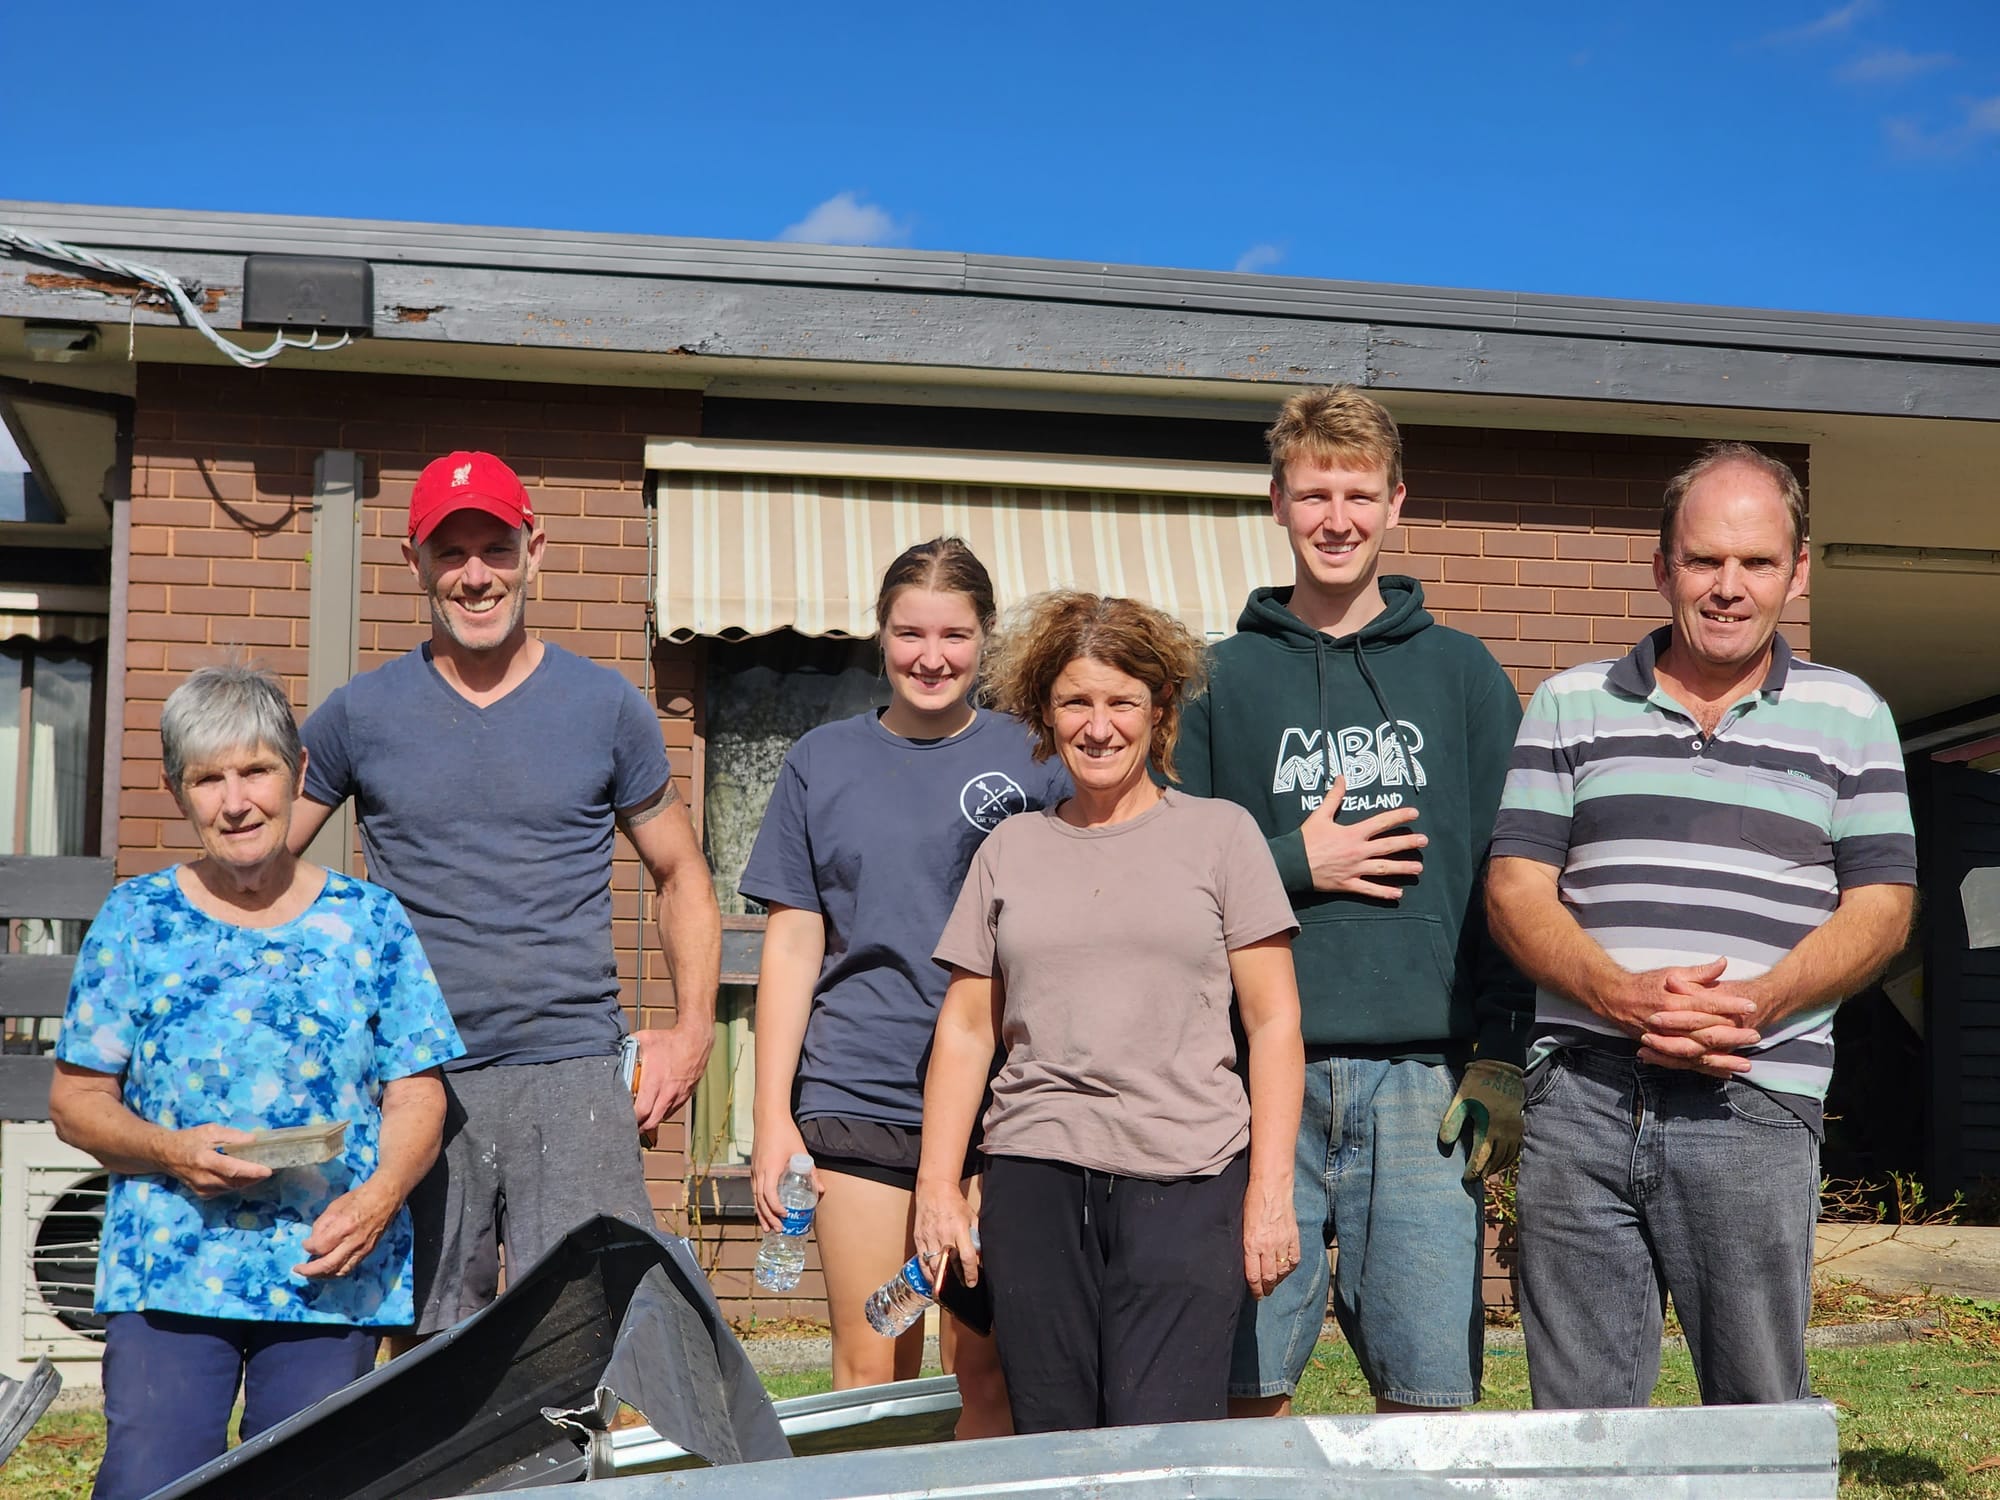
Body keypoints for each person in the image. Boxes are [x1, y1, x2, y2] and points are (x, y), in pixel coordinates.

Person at [1487, 442, 1917, 1407]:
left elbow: (1884, 907)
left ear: (1797, 572)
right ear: (1662, 567)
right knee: (1580, 1428)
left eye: (1757, 562)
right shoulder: (1569, 703)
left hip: (1754, 1099)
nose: (1730, 587)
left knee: (1758, 1407)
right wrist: (1618, 994)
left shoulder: (1852, 714)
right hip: (1585, 1100)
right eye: (1704, 560)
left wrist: (1756, 1002)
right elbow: (1515, 888)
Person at [289, 450, 721, 1335]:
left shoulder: (605, 707)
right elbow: (252, 864)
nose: (476, 575)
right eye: (452, 553)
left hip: (569, 1068)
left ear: (536, 550)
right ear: (414, 563)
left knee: (585, 1333)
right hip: (417, 1081)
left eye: (496, 547)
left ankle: (572, 1478)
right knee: (426, 1346)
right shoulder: (358, 715)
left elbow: (681, 873)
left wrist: (692, 1031)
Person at [1176, 386, 1531, 1417]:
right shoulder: (1216, 681)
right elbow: (1174, 879)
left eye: (1358, 494)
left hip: (1423, 1087)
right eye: (1313, 493)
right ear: (1277, 503)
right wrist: (1294, 861)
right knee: (1239, 1392)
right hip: (1252, 1087)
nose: (1336, 517)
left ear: (1395, 504)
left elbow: (1512, 875)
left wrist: (1502, 1052)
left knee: (1431, 1404)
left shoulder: (1461, 675)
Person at [49, 665, 462, 1500]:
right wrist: (166, 1147)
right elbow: (75, 1100)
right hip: (171, 1268)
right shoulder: (137, 920)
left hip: (329, 1267)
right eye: (208, 779)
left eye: (256, 770)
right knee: (148, 1483)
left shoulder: (369, 922)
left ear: (299, 773)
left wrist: (379, 1199)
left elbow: (420, 1091)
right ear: (178, 792)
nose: (236, 801)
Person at [914, 590, 1306, 1434]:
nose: (1099, 727)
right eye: (1075, 703)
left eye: (1122, 701)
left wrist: (1271, 1193)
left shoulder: (1223, 837)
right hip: (1034, 1178)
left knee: (1158, 1439)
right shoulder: (1010, 849)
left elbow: (1274, 1025)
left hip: (1190, 1180)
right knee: (1051, 1440)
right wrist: (938, 1186)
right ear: (1044, 715)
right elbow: (967, 1027)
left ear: (1159, 710)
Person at [740, 538, 1067, 1436]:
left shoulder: (1039, 757)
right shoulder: (820, 761)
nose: (931, 657)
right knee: (874, 1363)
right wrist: (773, 1119)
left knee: (987, 1367)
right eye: (909, 633)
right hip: (859, 1096)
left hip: (1008, 1105)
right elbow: (794, 943)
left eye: (955, 635)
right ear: (878, 636)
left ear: (987, 638)